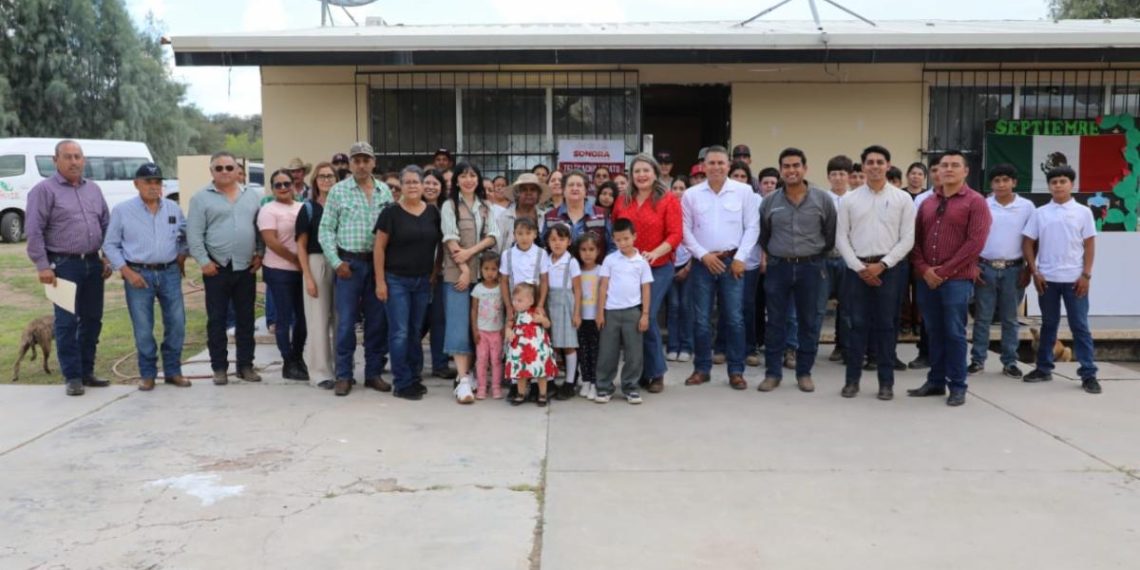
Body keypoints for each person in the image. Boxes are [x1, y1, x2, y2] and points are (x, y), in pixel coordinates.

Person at [25, 140, 112, 396]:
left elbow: (106, 224)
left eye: (78, 156)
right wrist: (42, 265)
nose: (74, 161)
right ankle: (72, 376)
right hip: (62, 266)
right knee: (66, 323)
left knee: (92, 320)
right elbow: (33, 231)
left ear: (83, 160)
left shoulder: (93, 189)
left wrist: (107, 256)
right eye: (68, 157)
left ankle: (87, 371)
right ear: (56, 161)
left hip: (93, 263)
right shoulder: (44, 191)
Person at [908, 151, 992, 407]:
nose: (948, 169)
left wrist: (943, 272)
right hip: (927, 280)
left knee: (954, 333)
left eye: (955, 165)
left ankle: (957, 385)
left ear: (965, 171)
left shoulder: (976, 202)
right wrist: (924, 269)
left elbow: (974, 244)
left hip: (956, 281)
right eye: (944, 165)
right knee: (933, 332)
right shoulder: (927, 203)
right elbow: (916, 240)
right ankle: (935, 381)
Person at [834, 146, 915, 400]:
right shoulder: (850, 199)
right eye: (870, 162)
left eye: (880, 162)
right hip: (856, 270)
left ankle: (886, 383)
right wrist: (859, 267)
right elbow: (841, 238)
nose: (875, 166)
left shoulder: (903, 199)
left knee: (886, 326)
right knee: (856, 325)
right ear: (863, 166)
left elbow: (908, 238)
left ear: (888, 165)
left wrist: (883, 264)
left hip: (889, 270)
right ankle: (852, 381)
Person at [102, 163, 190, 391]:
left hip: (169, 272)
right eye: (148, 182)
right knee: (143, 327)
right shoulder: (122, 210)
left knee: (177, 324)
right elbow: (110, 245)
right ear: (136, 184)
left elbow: (184, 236)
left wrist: (181, 256)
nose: (153, 186)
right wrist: (126, 271)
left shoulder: (173, 208)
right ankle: (148, 374)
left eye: (157, 182)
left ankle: (173, 371)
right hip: (138, 274)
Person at [757, 148, 836, 393]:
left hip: (811, 267)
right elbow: (764, 234)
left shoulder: (822, 199)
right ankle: (772, 373)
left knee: (809, 322)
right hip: (779, 267)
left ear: (805, 169)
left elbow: (830, 234)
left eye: (796, 166)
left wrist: (814, 256)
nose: (791, 170)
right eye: (786, 166)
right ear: (781, 170)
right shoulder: (770, 201)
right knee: (775, 323)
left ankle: (804, 372)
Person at [681, 146, 760, 390]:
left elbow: (753, 227)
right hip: (703, 263)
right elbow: (685, 230)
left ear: (729, 165)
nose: (716, 167)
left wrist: (741, 258)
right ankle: (701, 369)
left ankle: (736, 370)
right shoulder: (691, 194)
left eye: (720, 163)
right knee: (702, 319)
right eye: (711, 163)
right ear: (703, 166)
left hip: (732, 262)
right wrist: (703, 255)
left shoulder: (744, 191)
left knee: (735, 318)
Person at [319, 142, 394, 397]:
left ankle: (373, 373)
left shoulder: (385, 191)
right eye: (357, 161)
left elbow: (390, 230)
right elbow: (326, 229)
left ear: (373, 162)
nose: (361, 165)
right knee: (345, 323)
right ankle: (344, 375)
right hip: (348, 265)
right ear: (350, 164)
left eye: (366, 160)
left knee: (377, 322)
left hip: (377, 265)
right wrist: (336, 261)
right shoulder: (339, 191)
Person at [1021, 166, 1100, 394]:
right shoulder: (1040, 213)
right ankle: (1044, 368)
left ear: (1071, 184)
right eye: (1054, 182)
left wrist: (1086, 274)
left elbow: (1090, 245)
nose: (1058, 185)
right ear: (1048, 186)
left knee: (1080, 326)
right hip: (1047, 279)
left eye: (1063, 181)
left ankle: (1088, 373)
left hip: (1075, 279)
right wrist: (1034, 271)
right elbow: (1028, 242)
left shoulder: (1083, 212)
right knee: (1049, 325)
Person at [188, 151, 264, 386]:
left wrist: (260, 253)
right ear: (211, 171)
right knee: (217, 320)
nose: (224, 172)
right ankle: (219, 368)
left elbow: (260, 227)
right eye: (218, 168)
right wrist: (203, 261)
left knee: (246, 319)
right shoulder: (200, 198)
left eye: (229, 168)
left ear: (237, 170)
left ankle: (245, 365)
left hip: (245, 268)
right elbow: (194, 234)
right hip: (216, 268)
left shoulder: (252, 196)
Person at [610, 154, 683, 393]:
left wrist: (654, 253)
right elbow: (616, 232)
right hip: (628, 268)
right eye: (637, 171)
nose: (641, 175)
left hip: (658, 266)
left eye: (646, 170)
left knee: (647, 316)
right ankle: (639, 372)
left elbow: (675, 235)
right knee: (633, 321)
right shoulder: (622, 200)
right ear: (631, 175)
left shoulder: (668, 199)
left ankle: (657, 372)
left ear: (655, 173)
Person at [374, 165, 442, 401]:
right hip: (396, 281)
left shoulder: (433, 213)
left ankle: (414, 377)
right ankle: (402, 383)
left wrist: (435, 270)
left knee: (415, 331)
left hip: (422, 281)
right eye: (408, 182)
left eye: (416, 181)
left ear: (424, 185)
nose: (413, 186)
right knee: (400, 332)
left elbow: (440, 244)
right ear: (400, 186)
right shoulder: (390, 213)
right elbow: (379, 248)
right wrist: (380, 282)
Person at [968, 163, 1035, 379]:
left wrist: (1029, 269)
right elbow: (972, 237)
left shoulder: (1027, 207)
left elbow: (1032, 239)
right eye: (996, 180)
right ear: (991, 184)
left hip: (1014, 269)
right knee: (982, 318)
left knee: (1010, 319)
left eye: (1006, 180)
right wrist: (973, 265)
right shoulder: (982, 204)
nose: (1001, 184)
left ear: (1014, 182)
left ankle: (1010, 362)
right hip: (985, 267)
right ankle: (977, 360)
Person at [441, 162, 500, 403]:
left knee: (481, 325)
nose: (468, 180)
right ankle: (463, 380)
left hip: (483, 275)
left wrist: (470, 253)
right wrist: (464, 268)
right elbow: (450, 238)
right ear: (456, 181)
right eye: (463, 176)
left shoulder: (486, 207)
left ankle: (475, 374)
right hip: (457, 276)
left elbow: (493, 236)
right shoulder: (449, 205)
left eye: (472, 175)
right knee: (457, 325)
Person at [595, 218, 653, 404]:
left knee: (634, 353)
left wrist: (644, 315)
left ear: (634, 237)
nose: (623, 243)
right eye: (619, 240)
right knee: (607, 352)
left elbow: (646, 289)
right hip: (611, 312)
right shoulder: (610, 260)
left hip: (633, 312)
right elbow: (603, 286)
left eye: (627, 238)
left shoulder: (641, 262)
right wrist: (600, 312)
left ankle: (631, 387)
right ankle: (604, 387)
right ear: (613, 239)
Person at [258, 169, 308, 381]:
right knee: (284, 318)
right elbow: (271, 242)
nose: (283, 188)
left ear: (293, 184)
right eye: (277, 185)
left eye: (286, 183)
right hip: (279, 270)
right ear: (272, 188)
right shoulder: (268, 210)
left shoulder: (303, 207)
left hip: (303, 271)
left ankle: (298, 357)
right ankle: (288, 361)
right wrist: (295, 260)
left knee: (303, 319)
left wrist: (304, 264)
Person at [715, 161, 762, 366]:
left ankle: (749, 348)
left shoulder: (756, 199)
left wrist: (759, 258)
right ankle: (722, 347)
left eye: (744, 176)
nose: (739, 179)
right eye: (736, 175)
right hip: (725, 260)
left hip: (749, 262)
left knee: (747, 306)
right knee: (728, 307)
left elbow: (758, 230)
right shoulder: (722, 197)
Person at [296, 162, 337, 389]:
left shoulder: (343, 205)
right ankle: (321, 373)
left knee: (341, 319)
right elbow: (300, 246)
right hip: (317, 261)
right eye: (321, 176)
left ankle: (343, 368)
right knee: (318, 320)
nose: (326, 180)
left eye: (330, 176)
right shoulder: (309, 209)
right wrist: (309, 277)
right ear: (315, 181)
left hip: (341, 263)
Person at [420, 169, 454, 380]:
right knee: (417, 320)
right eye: (427, 183)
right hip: (413, 273)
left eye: (436, 183)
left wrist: (436, 269)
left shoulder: (445, 211)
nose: (431, 187)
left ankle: (440, 364)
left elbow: (444, 243)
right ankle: (413, 363)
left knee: (439, 320)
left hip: (439, 273)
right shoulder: (411, 208)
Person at [544, 223, 583, 400]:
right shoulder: (545, 259)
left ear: (569, 241)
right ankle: (550, 381)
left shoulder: (571, 261)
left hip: (566, 304)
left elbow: (577, 289)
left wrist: (577, 313)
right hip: (550, 302)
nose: (557, 243)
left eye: (561, 239)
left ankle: (569, 382)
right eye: (553, 239)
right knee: (551, 344)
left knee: (568, 344)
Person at [822, 155, 854, 363]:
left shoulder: (856, 198)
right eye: (834, 174)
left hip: (848, 258)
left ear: (849, 176)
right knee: (816, 305)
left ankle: (842, 346)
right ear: (828, 177)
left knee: (847, 307)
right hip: (824, 258)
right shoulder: (820, 198)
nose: (838, 178)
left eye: (842, 174)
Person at [506, 283, 559, 406]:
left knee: (540, 371)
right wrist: (508, 331)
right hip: (521, 348)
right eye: (514, 300)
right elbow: (509, 325)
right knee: (521, 371)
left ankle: (542, 394)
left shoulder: (536, 311)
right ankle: (520, 393)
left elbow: (547, 325)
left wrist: (543, 320)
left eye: (519, 300)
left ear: (530, 301)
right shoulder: (515, 313)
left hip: (536, 348)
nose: (515, 303)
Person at [543, 171, 614, 255]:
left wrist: (605, 266)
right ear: (563, 190)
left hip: (596, 267)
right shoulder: (550, 216)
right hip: (561, 268)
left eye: (579, 185)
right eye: (571, 185)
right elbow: (544, 247)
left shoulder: (602, 215)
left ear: (586, 191)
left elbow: (613, 246)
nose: (575, 188)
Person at [665, 178, 694, 363]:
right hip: (669, 265)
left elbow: (699, 240)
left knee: (686, 307)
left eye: (681, 188)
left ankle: (686, 347)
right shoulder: (666, 210)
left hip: (689, 266)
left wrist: (689, 266)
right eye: (674, 188)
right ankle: (673, 347)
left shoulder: (692, 212)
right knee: (673, 307)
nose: (678, 191)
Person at [470, 253, 506, 400]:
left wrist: (504, 327)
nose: (489, 272)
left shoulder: (501, 289)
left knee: (496, 360)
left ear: (498, 270)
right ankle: (482, 387)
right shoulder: (478, 289)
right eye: (486, 269)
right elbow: (473, 310)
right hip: (482, 332)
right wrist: (474, 330)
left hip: (497, 331)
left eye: (493, 269)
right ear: (480, 270)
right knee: (482, 360)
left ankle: (496, 387)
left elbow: (505, 308)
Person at [574, 233, 603, 400]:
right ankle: (585, 379)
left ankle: (594, 381)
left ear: (598, 251)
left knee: (596, 350)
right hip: (581, 317)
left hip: (596, 318)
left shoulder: (601, 271)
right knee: (583, 350)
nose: (588, 253)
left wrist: (601, 314)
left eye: (591, 249)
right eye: (584, 250)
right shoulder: (576, 271)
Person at [497, 173, 549, 252]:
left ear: (538, 195)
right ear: (517, 194)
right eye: (524, 189)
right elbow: (497, 248)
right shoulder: (504, 217)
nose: (529, 193)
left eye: (533, 189)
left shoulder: (545, 217)